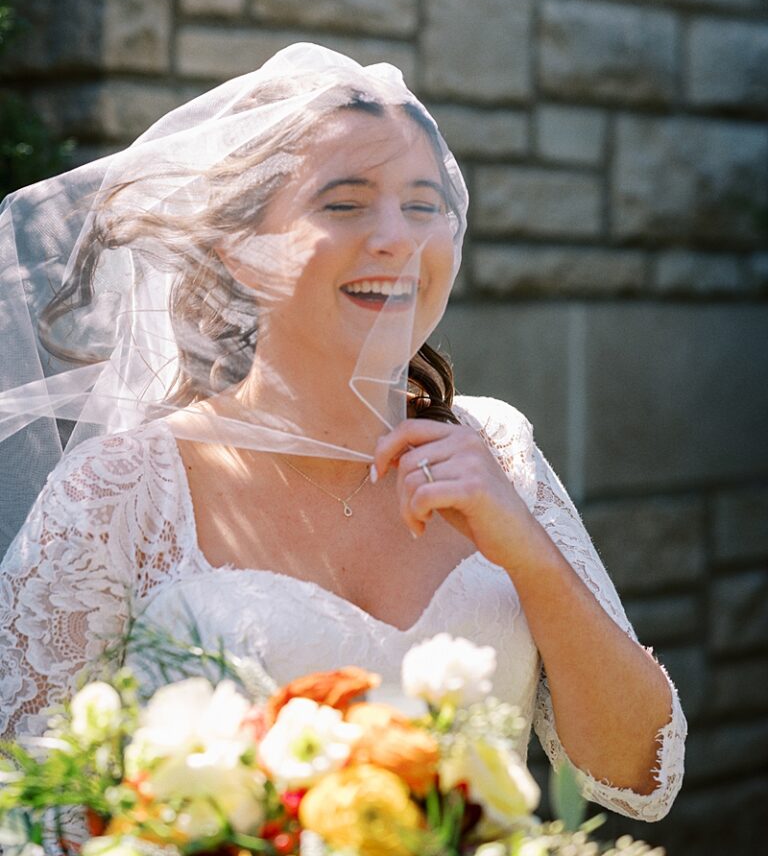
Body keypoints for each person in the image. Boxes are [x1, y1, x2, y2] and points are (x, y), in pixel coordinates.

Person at [0, 44, 685, 824]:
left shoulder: (499, 450)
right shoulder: (120, 491)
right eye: (346, 202)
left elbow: (638, 777)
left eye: (423, 204)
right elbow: (29, 813)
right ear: (241, 247)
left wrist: (525, 546)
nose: (397, 238)